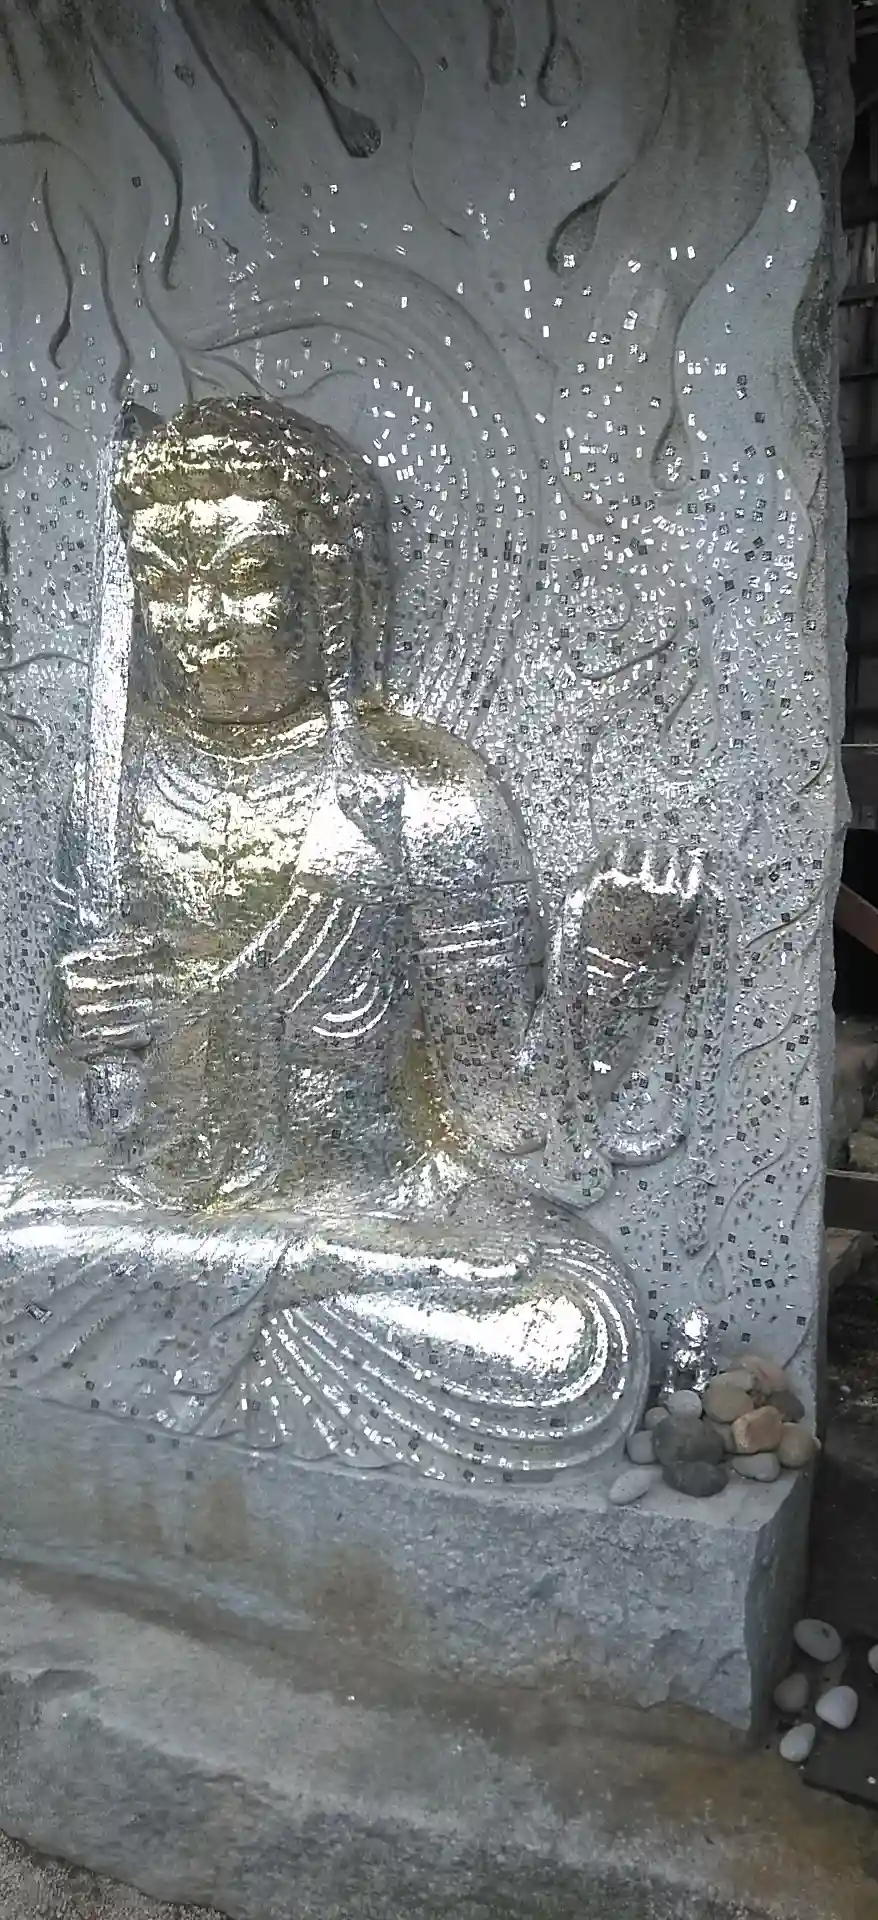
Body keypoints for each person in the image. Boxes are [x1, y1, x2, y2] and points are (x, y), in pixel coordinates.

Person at [0, 396, 703, 1480]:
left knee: (564, 1344)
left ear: (328, 588)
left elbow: (498, 1117)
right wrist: (93, 1018)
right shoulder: (115, 797)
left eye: (242, 576)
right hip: (163, 1199)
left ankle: (218, 1342)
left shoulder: (426, 794)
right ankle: (244, 1323)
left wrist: (608, 974)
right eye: (165, 580)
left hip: (379, 1211)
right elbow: (96, 1080)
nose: (197, 619)